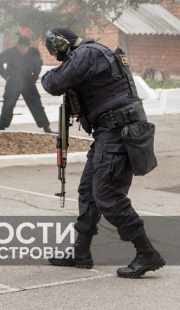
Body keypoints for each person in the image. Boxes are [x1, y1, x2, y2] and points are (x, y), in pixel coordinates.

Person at [42, 27, 165, 278]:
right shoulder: (89, 54)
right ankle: (81, 251)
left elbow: (54, 83)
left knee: (107, 195)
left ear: (62, 44)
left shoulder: (87, 53)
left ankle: (146, 252)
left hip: (117, 131)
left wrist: (45, 74)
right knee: (89, 191)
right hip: (108, 131)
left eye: (55, 53)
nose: (57, 58)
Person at [0, 36, 52, 133]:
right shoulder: (11, 52)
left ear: (28, 46)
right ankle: (2, 128)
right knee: (8, 105)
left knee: (36, 104)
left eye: (25, 47)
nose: (22, 49)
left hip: (28, 82)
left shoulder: (34, 52)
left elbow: (38, 66)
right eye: (21, 46)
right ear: (18, 45)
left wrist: (33, 78)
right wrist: (5, 75)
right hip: (13, 82)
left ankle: (46, 127)